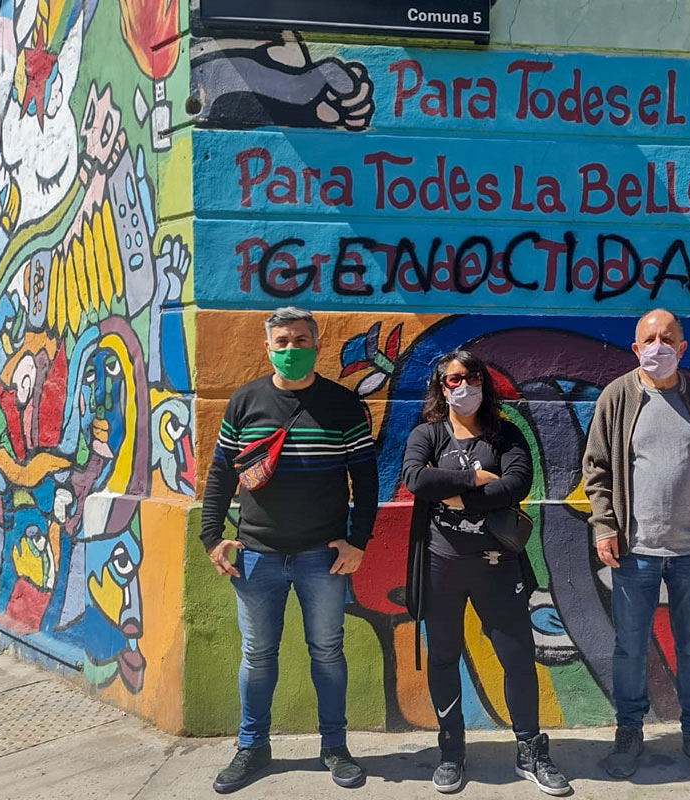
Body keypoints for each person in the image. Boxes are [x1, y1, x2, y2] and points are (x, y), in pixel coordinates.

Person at [200, 306, 379, 793]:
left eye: (300, 341)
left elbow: (366, 479)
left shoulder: (343, 405)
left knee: (328, 652)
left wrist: (359, 541)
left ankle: (335, 747)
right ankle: (252, 747)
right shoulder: (245, 402)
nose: (291, 349)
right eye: (282, 342)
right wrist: (212, 537)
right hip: (256, 554)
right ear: (268, 347)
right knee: (258, 655)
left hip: (323, 556)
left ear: (316, 346)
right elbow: (221, 474)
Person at [401, 349, 570, 796]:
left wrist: (456, 496)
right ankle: (451, 750)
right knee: (443, 656)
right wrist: (476, 481)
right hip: (440, 565)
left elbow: (517, 483)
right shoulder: (427, 433)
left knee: (517, 658)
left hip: (497, 566)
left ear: (484, 383)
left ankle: (530, 750)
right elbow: (416, 479)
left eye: (472, 377)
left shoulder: (505, 434)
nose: (464, 386)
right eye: (454, 379)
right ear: (441, 387)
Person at [583, 308, 690, 783]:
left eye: (667, 339)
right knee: (630, 649)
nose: (658, 347)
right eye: (649, 339)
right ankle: (629, 732)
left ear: (682, 348)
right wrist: (604, 527)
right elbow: (596, 469)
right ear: (635, 348)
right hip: (635, 554)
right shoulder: (617, 397)